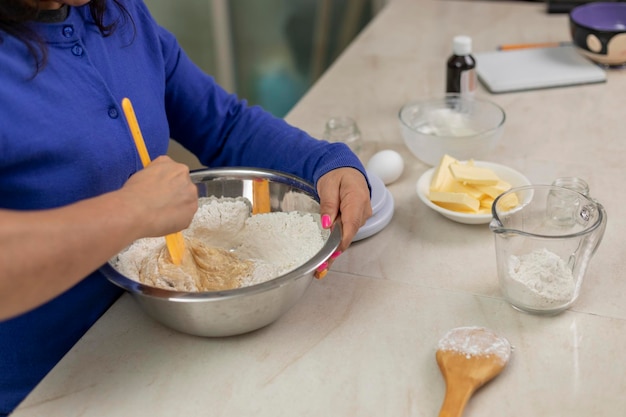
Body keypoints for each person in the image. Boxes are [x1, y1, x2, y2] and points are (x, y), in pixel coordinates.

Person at [0, 0, 372, 414]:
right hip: (43, 391)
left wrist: (323, 163)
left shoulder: (118, 14)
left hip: (149, 350)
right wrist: (132, 211)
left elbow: (223, 122)